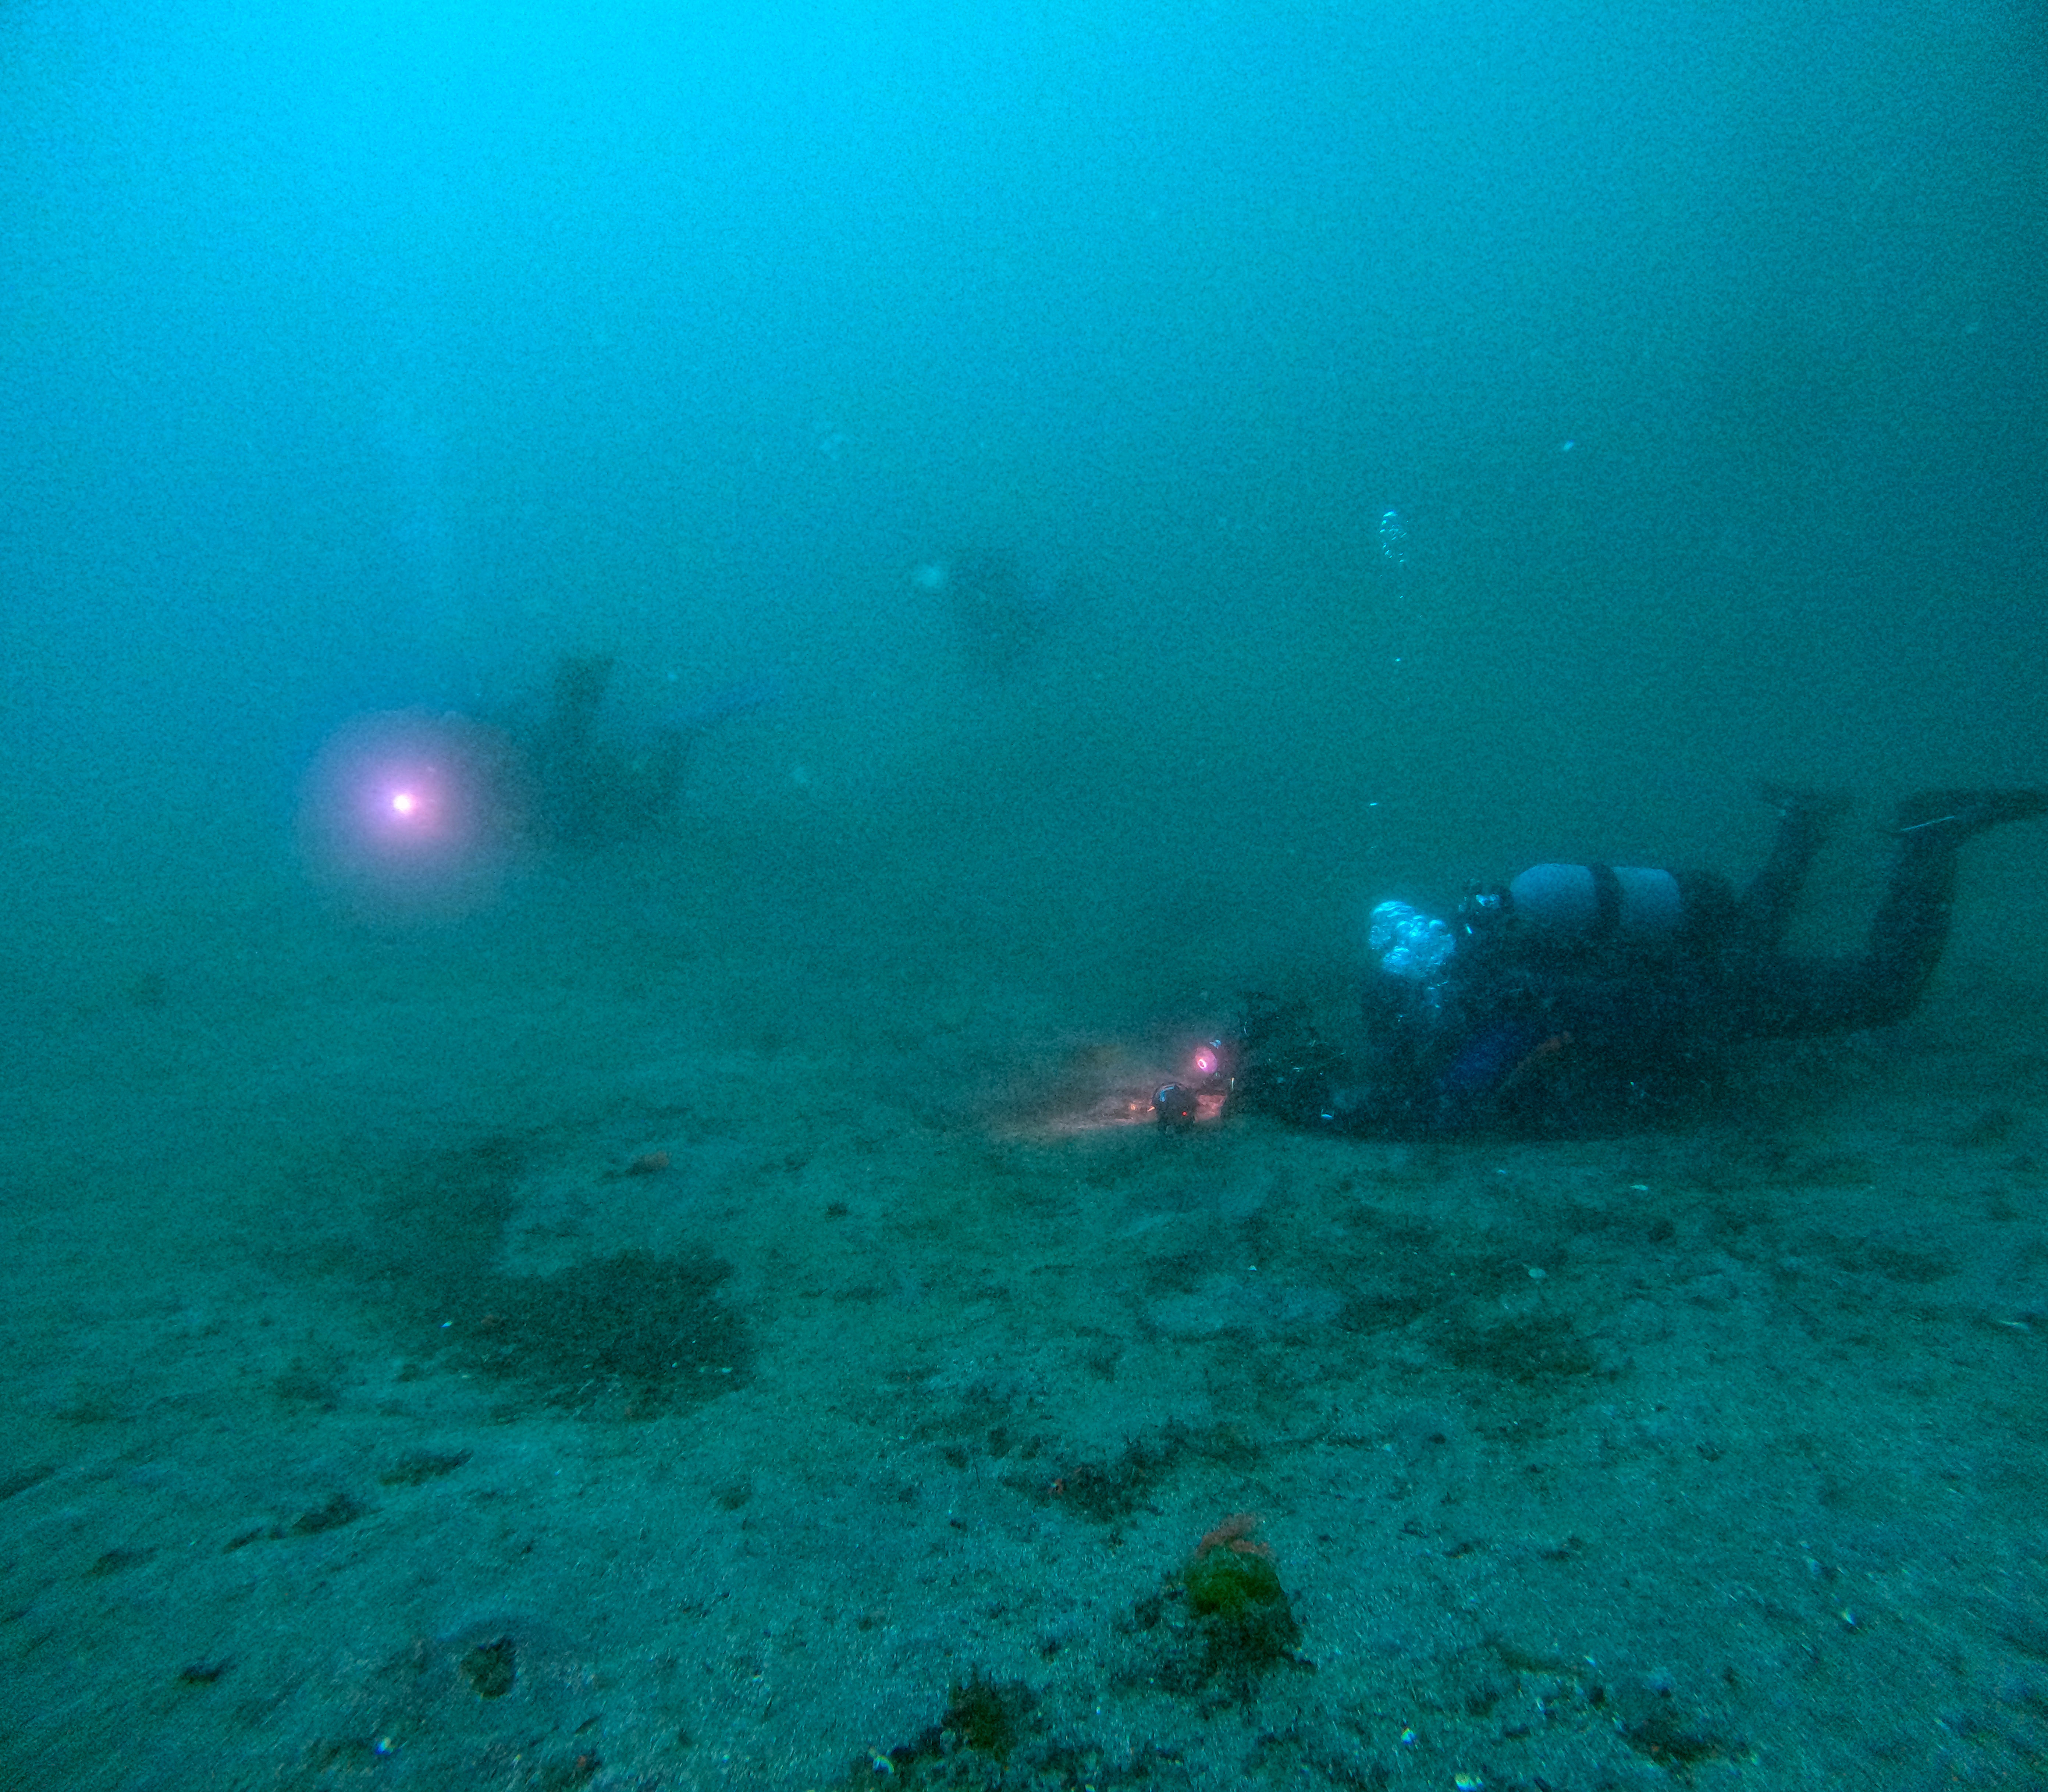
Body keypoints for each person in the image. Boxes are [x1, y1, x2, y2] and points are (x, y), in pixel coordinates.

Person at [1192, 787, 2046, 1137]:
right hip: (1675, 970)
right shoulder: (1478, 972)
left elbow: (1450, 1104)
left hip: (1690, 1002)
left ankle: (1930, 839)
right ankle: (1804, 824)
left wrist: (1313, 1112)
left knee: (1883, 991)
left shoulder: (1492, 1008)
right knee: (1748, 937)